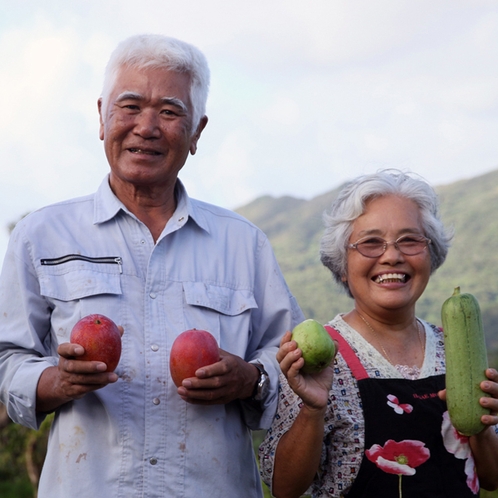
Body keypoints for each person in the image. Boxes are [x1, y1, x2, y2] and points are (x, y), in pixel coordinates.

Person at [0, 34, 303, 497]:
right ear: (102, 117)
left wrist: (251, 378)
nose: (146, 126)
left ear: (197, 131)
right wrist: (55, 381)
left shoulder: (244, 244)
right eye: (130, 106)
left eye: (169, 111)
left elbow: (292, 363)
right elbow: (6, 359)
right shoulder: (42, 235)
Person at [259, 170, 498, 497]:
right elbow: (284, 488)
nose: (392, 255)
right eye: (371, 242)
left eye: (410, 240)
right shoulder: (319, 356)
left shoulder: (456, 347)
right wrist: (312, 409)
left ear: (431, 255)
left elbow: (492, 478)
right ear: (342, 266)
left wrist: (483, 428)